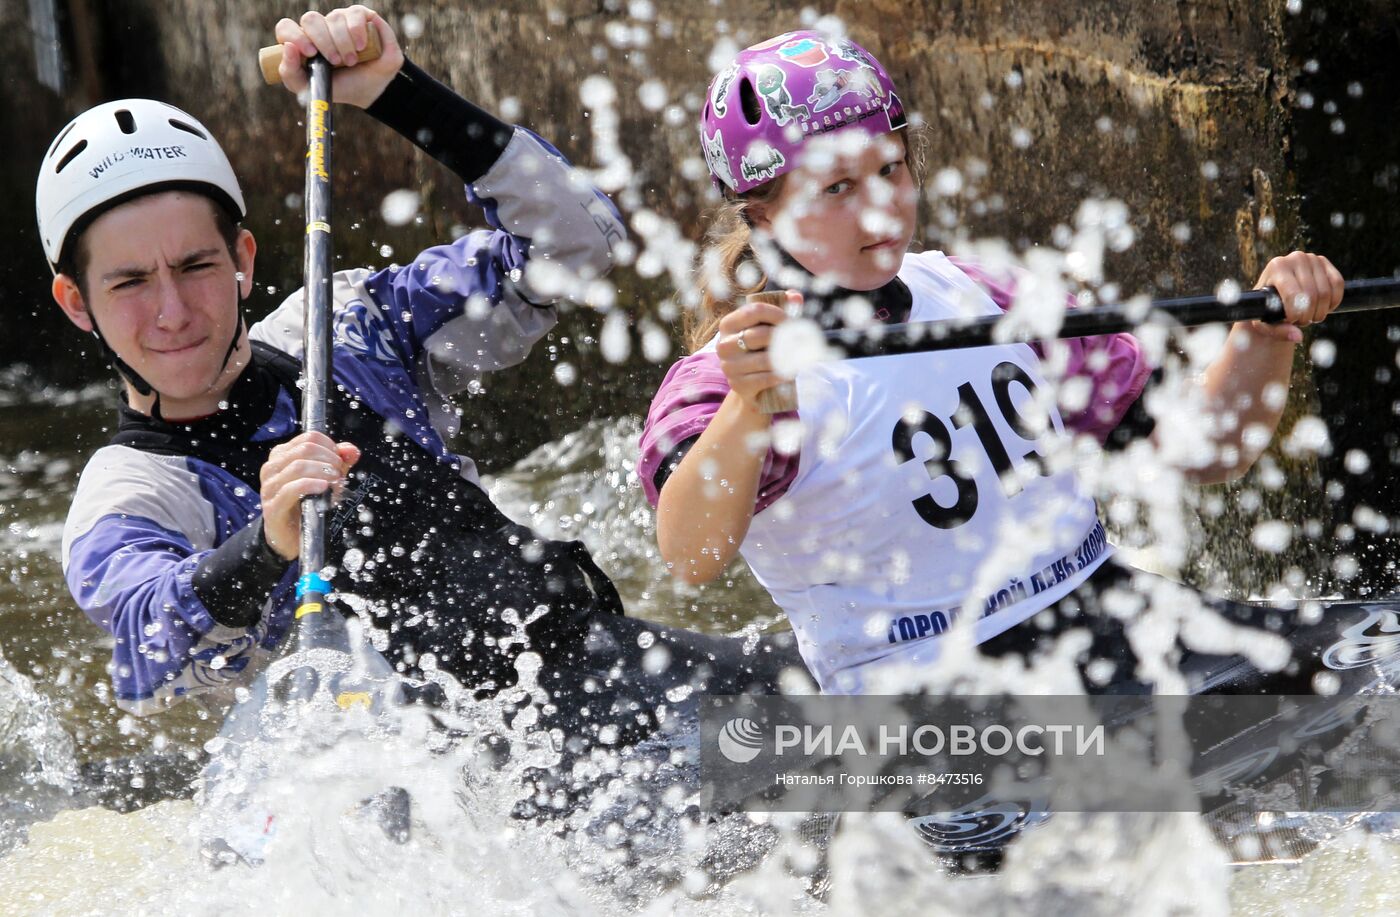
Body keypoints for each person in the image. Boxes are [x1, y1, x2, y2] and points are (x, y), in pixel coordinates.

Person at [41, 7, 800, 760]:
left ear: (242, 258)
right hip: (417, 783)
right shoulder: (127, 496)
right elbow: (147, 656)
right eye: (131, 282)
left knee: (892, 735)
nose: (172, 310)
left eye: (195, 266)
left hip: (581, 674)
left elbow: (579, 240)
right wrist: (266, 542)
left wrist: (395, 92)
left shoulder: (348, 326)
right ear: (79, 303)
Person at [639, 30, 1358, 699]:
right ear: (763, 216)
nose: (882, 209)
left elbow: (1209, 448)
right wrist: (749, 407)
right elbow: (691, 554)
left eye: (891, 169)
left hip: (1111, 625)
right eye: (837, 189)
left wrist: (1263, 333)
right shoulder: (723, 377)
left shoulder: (984, 291)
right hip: (925, 700)